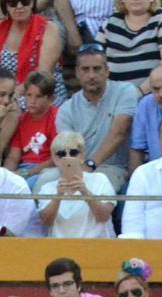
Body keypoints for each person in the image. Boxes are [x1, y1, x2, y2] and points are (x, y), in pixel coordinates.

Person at [51, 43, 137, 191]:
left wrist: (90, 165)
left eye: (97, 69)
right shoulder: (66, 109)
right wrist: (76, 170)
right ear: (77, 72)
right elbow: (67, 150)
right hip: (75, 167)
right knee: (43, 183)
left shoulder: (125, 92)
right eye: (85, 69)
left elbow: (119, 134)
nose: (91, 75)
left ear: (107, 71)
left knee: (95, 185)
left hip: (113, 167)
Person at [35, 130, 116, 238]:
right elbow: (46, 221)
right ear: (55, 159)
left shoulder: (100, 180)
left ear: (82, 156)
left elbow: (104, 216)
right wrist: (57, 197)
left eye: (73, 153)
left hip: (97, 247)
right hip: (62, 249)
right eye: (61, 154)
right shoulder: (47, 188)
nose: (68, 157)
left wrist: (85, 193)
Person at [0, 0, 64, 104]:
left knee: (10, 109)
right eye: (13, 3)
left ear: (32, 4)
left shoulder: (48, 28)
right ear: (6, 6)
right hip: (6, 94)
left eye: (25, 2)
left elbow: (43, 74)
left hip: (41, 92)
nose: (19, 6)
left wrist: (12, 93)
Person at [98, 0, 162, 96]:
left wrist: (138, 92)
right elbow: (95, 61)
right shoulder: (110, 23)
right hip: (115, 98)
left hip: (157, 97)